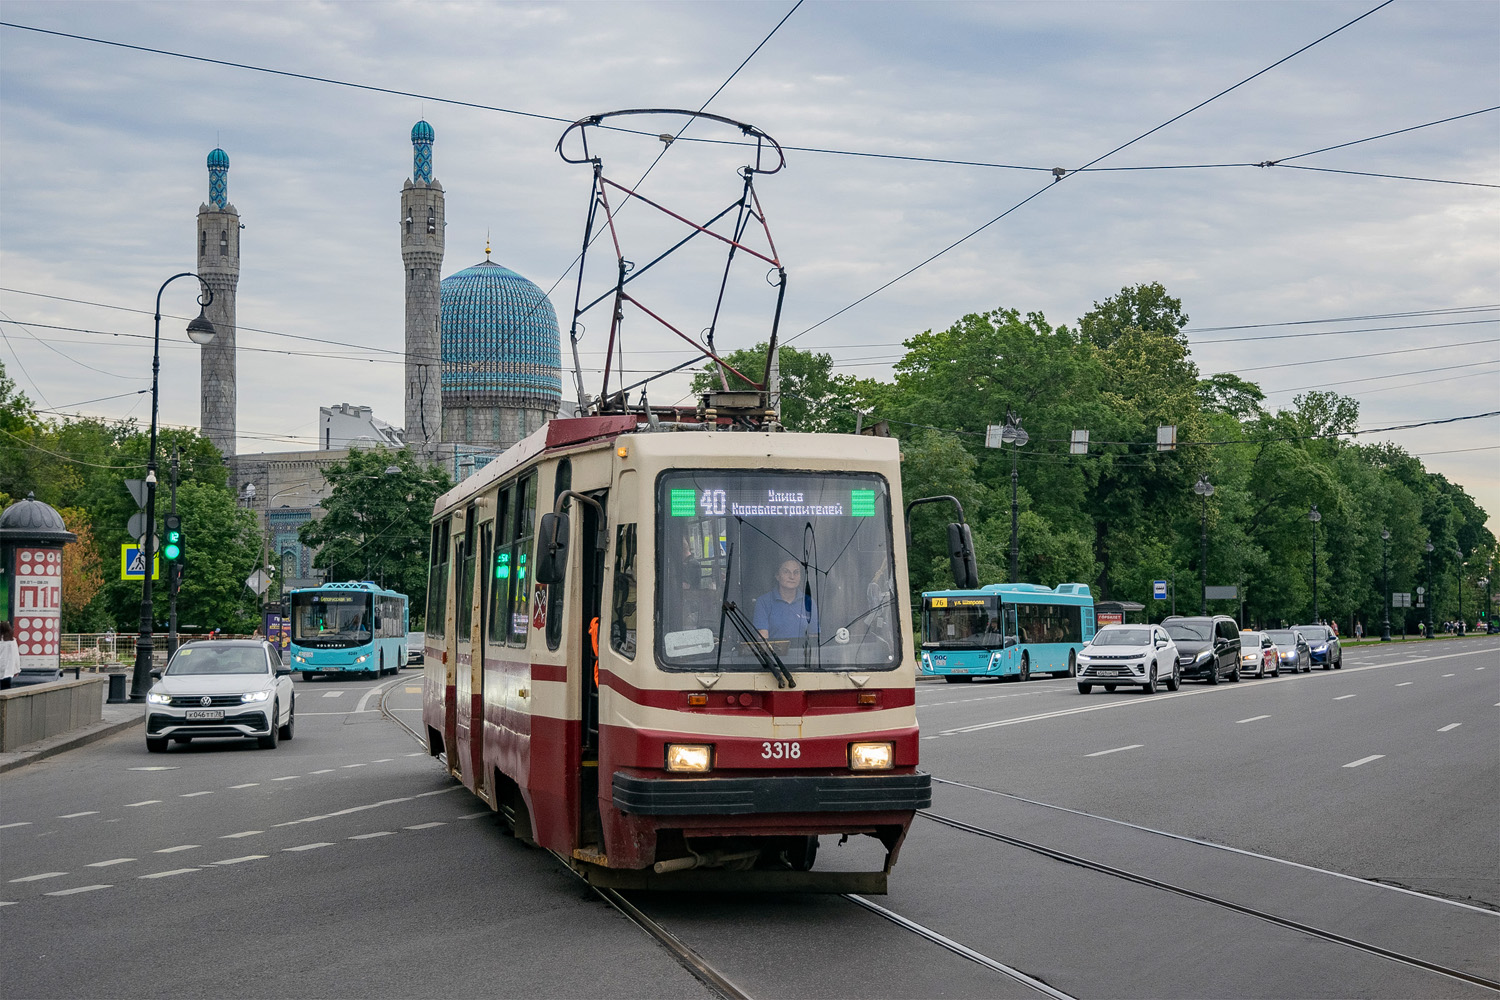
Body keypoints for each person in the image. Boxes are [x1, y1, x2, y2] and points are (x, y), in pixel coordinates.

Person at [753, 558, 818, 640]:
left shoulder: (809, 602)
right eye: (786, 572)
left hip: (803, 652)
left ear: (800, 577)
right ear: (777, 576)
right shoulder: (763, 602)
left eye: (796, 572)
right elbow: (763, 640)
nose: (792, 576)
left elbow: (814, 638)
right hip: (772, 652)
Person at [0, 621, 17, 689]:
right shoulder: (12, 642)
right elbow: (15, 656)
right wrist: (16, 669)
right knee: (6, 687)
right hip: (8, 668)